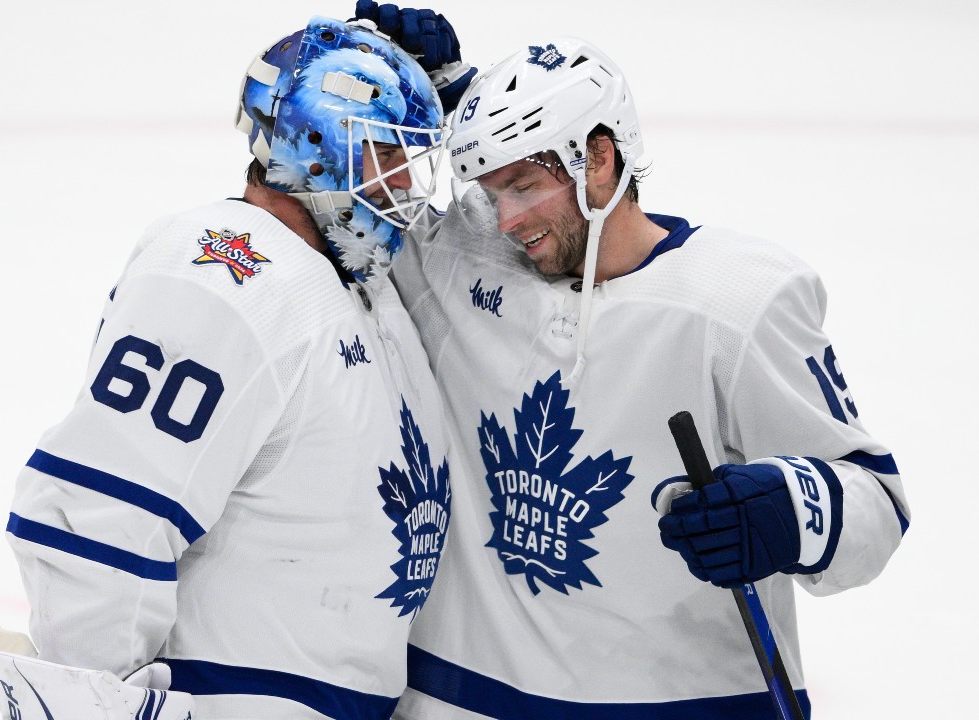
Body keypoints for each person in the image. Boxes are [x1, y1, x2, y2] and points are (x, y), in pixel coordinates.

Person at [386, 32, 912, 718]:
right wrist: (439, 91)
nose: (508, 219)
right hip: (464, 697)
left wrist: (789, 509)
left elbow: (877, 504)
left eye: (525, 186)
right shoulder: (464, 261)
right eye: (492, 191)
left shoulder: (735, 304)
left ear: (598, 158)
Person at [0, 16, 465, 720]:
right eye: (386, 153)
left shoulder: (364, 290)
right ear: (319, 148)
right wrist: (91, 697)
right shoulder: (228, 270)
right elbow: (105, 515)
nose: (402, 184)